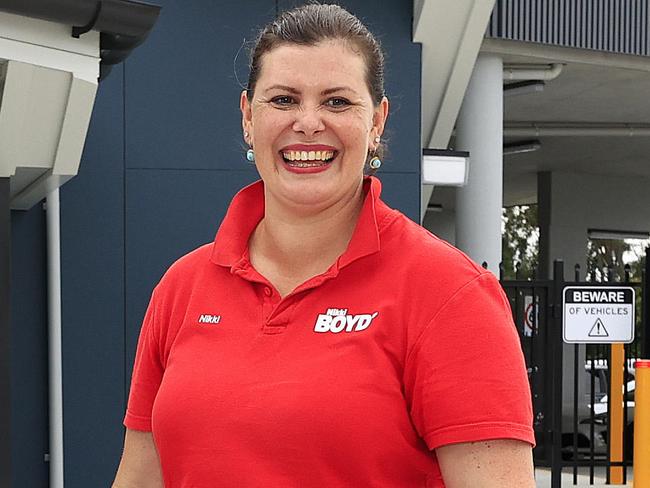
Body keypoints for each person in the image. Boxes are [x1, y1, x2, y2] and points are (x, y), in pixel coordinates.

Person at [112, 4, 536, 487]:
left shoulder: (449, 294)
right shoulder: (182, 288)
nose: (308, 123)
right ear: (248, 116)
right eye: (283, 100)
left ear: (376, 122)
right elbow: (138, 479)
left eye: (337, 102)